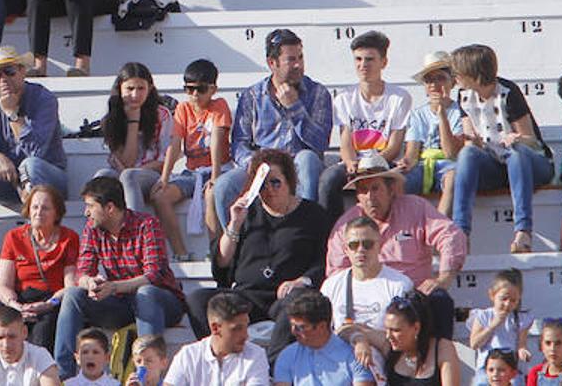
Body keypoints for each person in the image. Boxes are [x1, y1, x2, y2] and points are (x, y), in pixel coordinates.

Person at [188, 149, 330, 363]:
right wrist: (234, 223)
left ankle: (272, 367)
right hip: (247, 296)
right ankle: (223, 359)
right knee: (197, 300)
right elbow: (222, 264)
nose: (269, 190)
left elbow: (323, 261)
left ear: (289, 181)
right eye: (262, 185)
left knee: (296, 304)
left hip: (284, 296)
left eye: (275, 183)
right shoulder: (248, 213)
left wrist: (302, 280)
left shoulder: (313, 215)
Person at [325, 152, 467, 339]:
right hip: (367, 299)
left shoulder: (415, 208)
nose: (369, 196)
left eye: (375, 188)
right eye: (363, 190)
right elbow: (337, 272)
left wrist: (443, 279)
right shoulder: (347, 224)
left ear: (391, 189)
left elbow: (451, 235)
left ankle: (438, 361)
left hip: (414, 296)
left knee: (440, 300)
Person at [54, 175, 185, 378]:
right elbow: (82, 271)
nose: (86, 212)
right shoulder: (92, 228)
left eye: (90, 206)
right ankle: (62, 377)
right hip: (122, 304)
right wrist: (90, 283)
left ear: (110, 208)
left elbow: (154, 274)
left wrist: (113, 287)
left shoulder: (146, 224)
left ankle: (145, 377)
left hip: (162, 302)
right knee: (72, 295)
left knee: (146, 293)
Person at [212, 28, 332, 232]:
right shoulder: (252, 96)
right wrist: (255, 163)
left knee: (308, 159)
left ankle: (307, 234)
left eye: (301, 58)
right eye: (291, 59)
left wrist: (295, 108)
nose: (298, 65)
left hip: (297, 163)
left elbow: (320, 143)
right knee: (224, 186)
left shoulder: (318, 93)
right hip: (262, 164)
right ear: (272, 63)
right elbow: (239, 143)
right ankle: (236, 246)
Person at [449, 43, 555, 254]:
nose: (454, 75)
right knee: (467, 153)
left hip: (531, 164)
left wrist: (515, 138)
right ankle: (461, 231)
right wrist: (469, 140)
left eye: (458, 71)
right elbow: (473, 144)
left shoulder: (508, 92)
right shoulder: (463, 96)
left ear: (474, 73)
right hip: (496, 164)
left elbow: (531, 141)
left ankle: (523, 231)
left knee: (516, 152)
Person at [317, 30, 412, 216]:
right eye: (358, 59)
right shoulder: (344, 98)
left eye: (369, 59)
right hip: (354, 162)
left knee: (399, 183)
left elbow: (394, 145)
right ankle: (331, 236)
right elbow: (346, 141)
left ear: (383, 62)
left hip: (385, 161)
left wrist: (372, 164)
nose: (363, 65)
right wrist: (351, 162)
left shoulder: (399, 98)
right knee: (328, 179)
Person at [0, 46, 68, 204]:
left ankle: (36, 224)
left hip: (48, 181)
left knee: (30, 166)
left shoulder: (44, 99)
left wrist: (12, 114)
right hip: (9, 181)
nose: (3, 79)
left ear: (22, 71)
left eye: (9, 71)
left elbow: (36, 151)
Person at [319, 215, 413, 379]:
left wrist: (362, 336)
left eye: (368, 244)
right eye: (354, 245)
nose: (360, 250)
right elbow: (324, 335)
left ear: (380, 245)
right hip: (337, 365)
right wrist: (359, 337)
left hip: (384, 364)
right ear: (345, 249)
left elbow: (405, 341)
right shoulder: (331, 286)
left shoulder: (399, 285)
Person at [155, 59, 232, 258]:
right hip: (191, 173)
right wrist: (164, 178)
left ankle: (215, 252)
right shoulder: (182, 108)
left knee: (212, 194)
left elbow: (216, 140)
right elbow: (175, 144)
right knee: (160, 197)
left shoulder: (219, 105)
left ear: (213, 89)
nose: (194, 95)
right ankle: (180, 252)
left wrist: (215, 176)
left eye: (200, 89)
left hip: (220, 168)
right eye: (189, 89)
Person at [0, 185, 80, 349]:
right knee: (5, 322)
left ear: (57, 213)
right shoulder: (14, 237)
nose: (38, 212)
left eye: (45, 208)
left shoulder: (69, 238)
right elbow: (3, 285)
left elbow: (70, 285)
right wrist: (16, 306)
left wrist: (49, 304)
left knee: (44, 327)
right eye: (34, 207)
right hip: (20, 300)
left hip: (53, 301)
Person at [94, 63, 174, 222]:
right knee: (101, 178)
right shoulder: (113, 118)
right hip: (123, 172)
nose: (135, 94)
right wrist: (133, 121)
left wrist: (132, 170)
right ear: (120, 89)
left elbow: (164, 159)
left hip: (150, 175)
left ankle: (137, 232)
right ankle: (99, 236)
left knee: (129, 176)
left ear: (150, 89)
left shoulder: (162, 115)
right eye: (129, 89)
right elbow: (125, 160)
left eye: (141, 88)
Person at [399, 52, 472, 215]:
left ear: (452, 82)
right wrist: (405, 163)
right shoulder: (417, 114)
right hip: (424, 164)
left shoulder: (462, 111)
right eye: (429, 80)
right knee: (395, 182)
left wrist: (441, 115)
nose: (434, 84)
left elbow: (451, 152)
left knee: (453, 179)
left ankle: (440, 227)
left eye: (440, 78)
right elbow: (412, 152)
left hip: (449, 165)